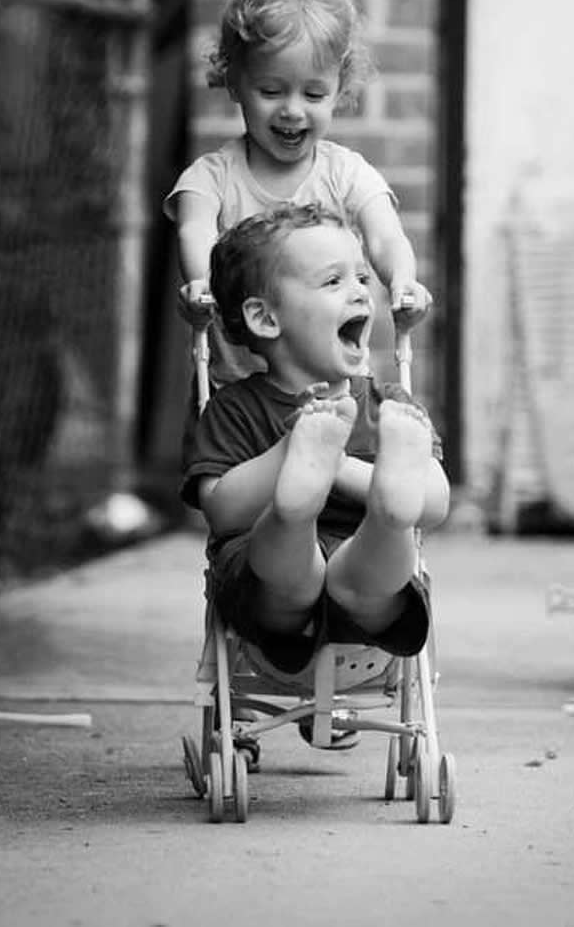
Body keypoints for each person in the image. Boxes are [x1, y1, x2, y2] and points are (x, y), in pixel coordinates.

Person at [181, 203, 450, 677]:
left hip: (367, 591)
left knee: (378, 551)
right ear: (265, 319)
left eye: (363, 279)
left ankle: (390, 509)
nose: (360, 294)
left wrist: (337, 467)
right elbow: (221, 511)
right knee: (287, 563)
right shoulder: (237, 409)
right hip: (274, 600)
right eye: (333, 282)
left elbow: (437, 501)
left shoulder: (388, 407)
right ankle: (294, 511)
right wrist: (292, 450)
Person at [164, 0, 432, 386]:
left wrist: (402, 280)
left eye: (313, 95)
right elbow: (195, 231)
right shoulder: (211, 179)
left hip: (337, 389)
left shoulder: (346, 174)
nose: (292, 110)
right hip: (237, 394)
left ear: (340, 90)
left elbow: (385, 237)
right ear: (234, 82)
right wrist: (201, 284)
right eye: (271, 91)